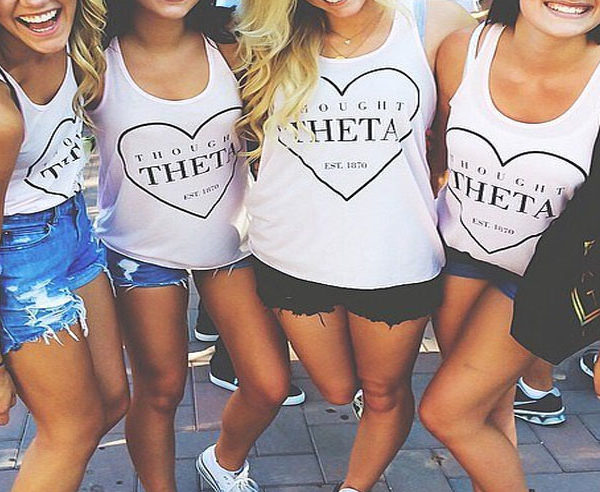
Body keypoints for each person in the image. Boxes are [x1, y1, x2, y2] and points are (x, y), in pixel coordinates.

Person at [236, 1, 474, 490]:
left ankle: (354, 485)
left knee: (384, 392)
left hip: (395, 251)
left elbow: (462, 133)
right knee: (338, 389)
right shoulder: (260, 30)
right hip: (293, 251)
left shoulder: (434, 20)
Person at [91, 1, 294, 490]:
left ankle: (223, 462)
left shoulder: (232, 45)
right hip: (140, 253)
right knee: (160, 391)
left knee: (269, 384)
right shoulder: (95, 61)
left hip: (231, 243)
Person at [419, 1, 600, 490]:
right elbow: (437, 153)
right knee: (486, 410)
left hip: (544, 279)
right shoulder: (462, 52)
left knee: (447, 413)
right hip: (459, 256)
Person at [0, 1, 130, 490]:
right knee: (69, 431)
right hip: (19, 258)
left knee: (112, 400)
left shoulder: (79, 46)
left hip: (74, 229)